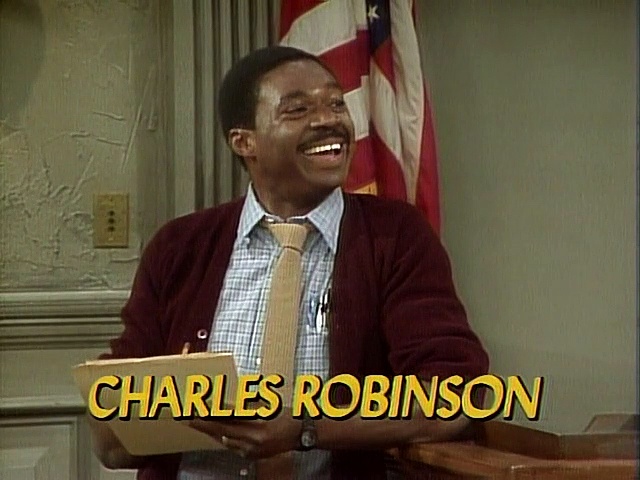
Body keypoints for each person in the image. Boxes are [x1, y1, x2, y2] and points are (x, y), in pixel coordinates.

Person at [89, 46, 489, 480]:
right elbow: (114, 437)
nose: (328, 120)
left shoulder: (395, 237)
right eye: (298, 109)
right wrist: (128, 416)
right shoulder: (180, 246)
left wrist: (308, 429)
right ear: (244, 142)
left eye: (336, 104)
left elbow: (455, 397)